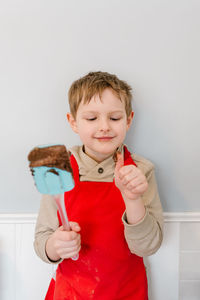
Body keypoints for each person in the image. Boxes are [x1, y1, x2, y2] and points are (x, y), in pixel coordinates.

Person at [34, 71, 163, 300]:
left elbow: (147, 247)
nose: (104, 127)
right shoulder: (58, 168)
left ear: (128, 120)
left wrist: (133, 200)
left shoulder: (142, 171)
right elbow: (42, 242)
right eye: (92, 119)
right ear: (73, 122)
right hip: (69, 293)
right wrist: (55, 245)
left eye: (114, 118)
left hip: (126, 292)